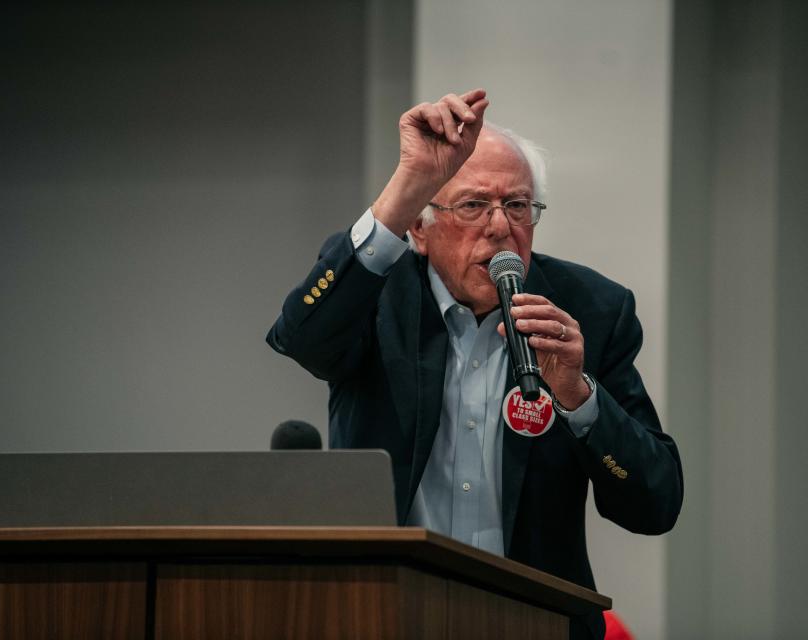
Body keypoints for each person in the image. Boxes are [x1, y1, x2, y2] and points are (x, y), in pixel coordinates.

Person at [266, 89, 683, 639]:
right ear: (419, 227)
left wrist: (579, 397)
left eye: (517, 206)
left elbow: (653, 505)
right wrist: (409, 184)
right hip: (386, 618)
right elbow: (300, 337)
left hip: (533, 625)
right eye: (472, 206)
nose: (499, 227)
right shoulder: (376, 294)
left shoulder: (589, 311)